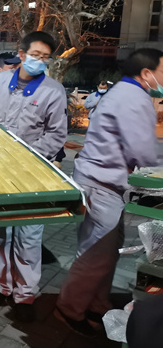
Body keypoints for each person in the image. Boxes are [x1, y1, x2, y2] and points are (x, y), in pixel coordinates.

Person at [55, 49, 161, 337]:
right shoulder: (136, 99)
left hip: (99, 180)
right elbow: (143, 151)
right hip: (103, 184)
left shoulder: (120, 93)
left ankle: (96, 304)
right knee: (96, 254)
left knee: (104, 251)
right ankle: (70, 308)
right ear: (147, 73)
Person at [0, 32, 67, 322]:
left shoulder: (53, 91)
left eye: (45, 57)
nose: (39, 61)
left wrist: (27, 156)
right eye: (35, 55)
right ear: (22, 53)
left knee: (29, 234)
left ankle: (25, 294)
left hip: (32, 171)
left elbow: (57, 134)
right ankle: (2, 286)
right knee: (1, 231)